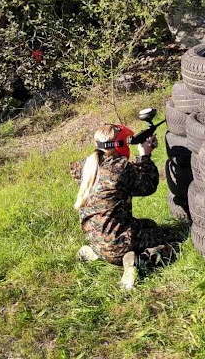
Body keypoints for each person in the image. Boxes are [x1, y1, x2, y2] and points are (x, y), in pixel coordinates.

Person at [70, 123, 187, 291]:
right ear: (120, 145)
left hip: (95, 238)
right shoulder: (121, 168)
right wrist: (145, 156)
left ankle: (97, 253)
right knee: (171, 242)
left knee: (149, 225)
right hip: (118, 241)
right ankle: (138, 262)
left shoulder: (86, 165)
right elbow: (149, 186)